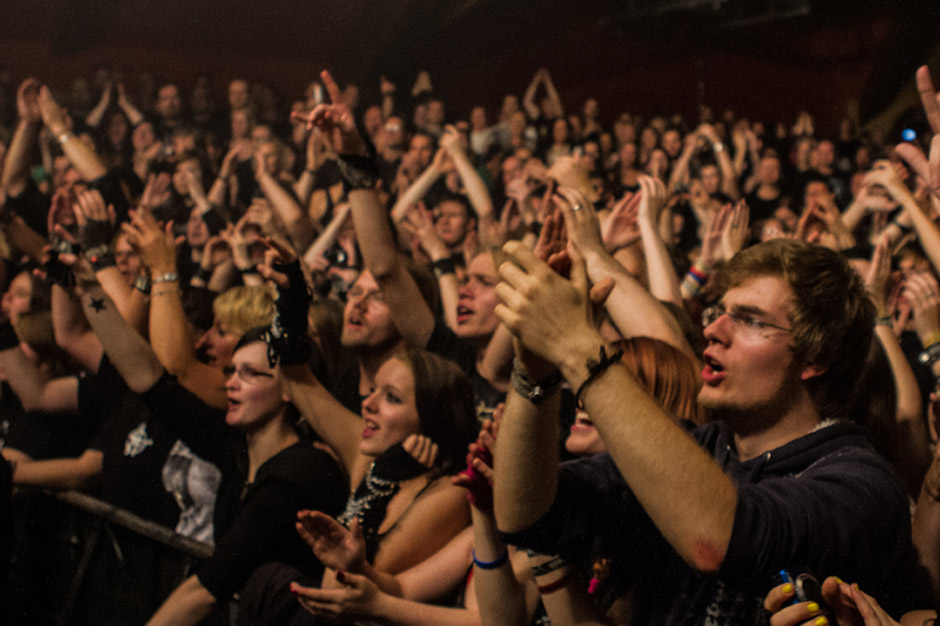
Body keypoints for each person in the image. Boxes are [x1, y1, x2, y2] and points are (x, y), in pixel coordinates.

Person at [493, 233, 932, 623]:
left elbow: (717, 539)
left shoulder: (861, 484)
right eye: (719, 312)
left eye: (750, 319)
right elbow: (525, 513)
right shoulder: (699, 445)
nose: (714, 330)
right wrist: (534, 374)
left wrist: (578, 346)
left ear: (817, 355)